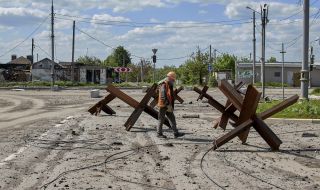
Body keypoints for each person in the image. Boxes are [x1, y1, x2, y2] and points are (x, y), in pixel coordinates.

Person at [157, 71, 184, 139]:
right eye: (173, 79)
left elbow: (170, 95)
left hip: (167, 104)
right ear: (169, 78)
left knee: (172, 118)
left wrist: (169, 104)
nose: (173, 81)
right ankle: (159, 133)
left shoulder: (169, 84)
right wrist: (167, 104)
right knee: (161, 119)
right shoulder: (164, 84)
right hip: (164, 105)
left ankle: (176, 133)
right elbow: (163, 95)